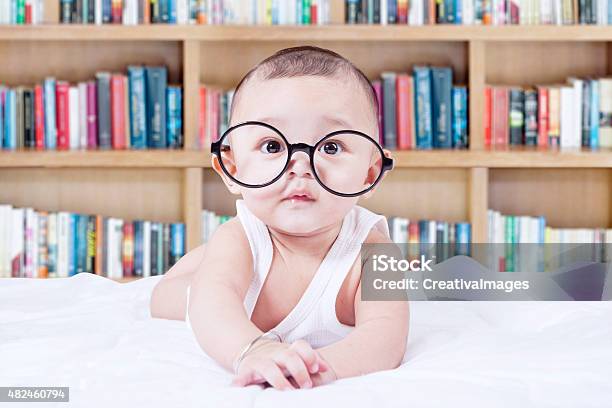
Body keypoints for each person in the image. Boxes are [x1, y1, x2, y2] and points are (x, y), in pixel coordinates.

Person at [150, 45, 409, 390]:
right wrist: (254, 350)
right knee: (172, 297)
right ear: (231, 168)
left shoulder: (375, 252)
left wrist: (316, 367)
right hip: (197, 289)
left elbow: (385, 336)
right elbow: (213, 303)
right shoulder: (239, 238)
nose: (299, 165)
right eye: (272, 146)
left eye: (331, 147)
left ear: (369, 172)